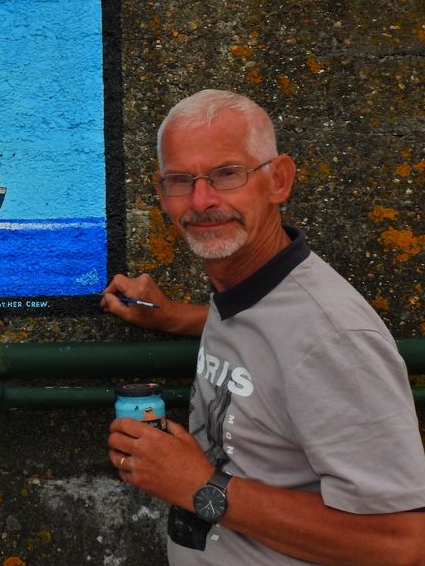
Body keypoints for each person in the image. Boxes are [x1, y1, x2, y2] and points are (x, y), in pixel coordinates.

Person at [101, 89, 425, 565]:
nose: (201, 200)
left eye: (227, 174)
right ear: (161, 194)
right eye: (180, 180)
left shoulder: (334, 339)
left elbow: (402, 544)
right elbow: (270, 334)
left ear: (279, 180)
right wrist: (171, 316)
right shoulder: (249, 289)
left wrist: (199, 486)